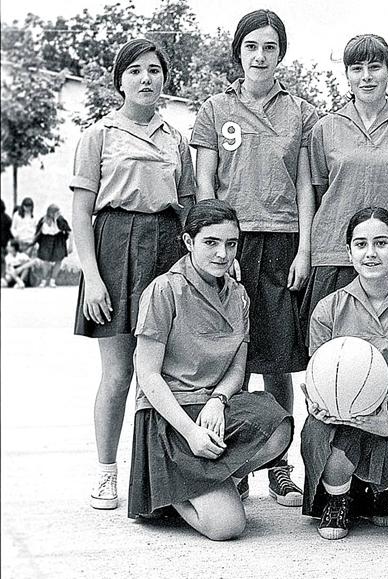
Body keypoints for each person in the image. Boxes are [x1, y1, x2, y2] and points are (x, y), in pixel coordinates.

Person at [191, 9, 317, 506]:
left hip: (283, 240)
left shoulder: (301, 112)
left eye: (269, 47)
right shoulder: (214, 109)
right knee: (231, 358)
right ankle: (236, 463)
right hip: (231, 243)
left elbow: (306, 184)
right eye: (251, 47)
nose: (260, 56)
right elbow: (205, 184)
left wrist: (304, 247)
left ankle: (279, 465)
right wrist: (220, 243)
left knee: (277, 360)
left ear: (280, 53)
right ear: (238, 52)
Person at [71, 39, 196, 510]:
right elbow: (82, 213)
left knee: (161, 373)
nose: (146, 79)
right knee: (120, 373)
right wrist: (94, 277)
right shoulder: (98, 135)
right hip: (114, 249)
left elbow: (187, 209)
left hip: (165, 248)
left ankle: (160, 476)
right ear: (119, 79)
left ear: (165, 79)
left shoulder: (176, 139)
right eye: (135, 71)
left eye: (155, 71)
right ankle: (106, 473)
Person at [129, 199, 293, 540]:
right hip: (169, 416)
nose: (222, 254)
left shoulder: (238, 295)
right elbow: (147, 375)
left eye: (230, 244)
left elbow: (237, 367)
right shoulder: (164, 290)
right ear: (189, 242)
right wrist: (190, 432)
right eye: (211, 242)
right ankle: (172, 495)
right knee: (227, 527)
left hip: (210, 408)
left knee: (278, 425)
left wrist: (218, 400)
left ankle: (212, 484)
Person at [301, 207, 388, 540]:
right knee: (335, 445)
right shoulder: (328, 308)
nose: (370, 253)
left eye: (381, 243)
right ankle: (339, 496)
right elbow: (316, 381)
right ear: (348, 252)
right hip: (338, 415)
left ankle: (382, 488)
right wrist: (321, 407)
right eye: (360, 244)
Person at [302, 34, 388, 328]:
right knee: (333, 356)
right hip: (337, 253)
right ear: (347, 75)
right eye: (357, 68)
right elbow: (322, 192)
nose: (367, 77)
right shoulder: (325, 128)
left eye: (375, 67)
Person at [33, 204, 72, 288]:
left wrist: (70, 245)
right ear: (51, 213)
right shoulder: (43, 220)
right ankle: (44, 280)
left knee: (58, 260)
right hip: (46, 240)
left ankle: (52, 280)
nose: (59, 213)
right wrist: (35, 243)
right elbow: (38, 232)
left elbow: (69, 231)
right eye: (57, 212)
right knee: (45, 261)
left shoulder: (60, 220)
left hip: (58, 240)